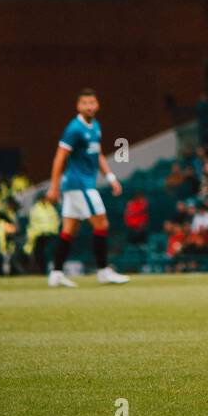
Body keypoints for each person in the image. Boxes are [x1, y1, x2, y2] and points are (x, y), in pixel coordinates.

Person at [45, 88, 129, 287]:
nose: (89, 106)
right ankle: (103, 271)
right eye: (85, 103)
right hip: (79, 184)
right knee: (102, 224)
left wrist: (110, 177)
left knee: (69, 229)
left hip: (81, 185)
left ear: (97, 104)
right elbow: (59, 158)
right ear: (78, 106)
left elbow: (97, 154)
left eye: (92, 103)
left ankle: (56, 273)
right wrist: (54, 187)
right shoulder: (74, 129)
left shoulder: (95, 126)